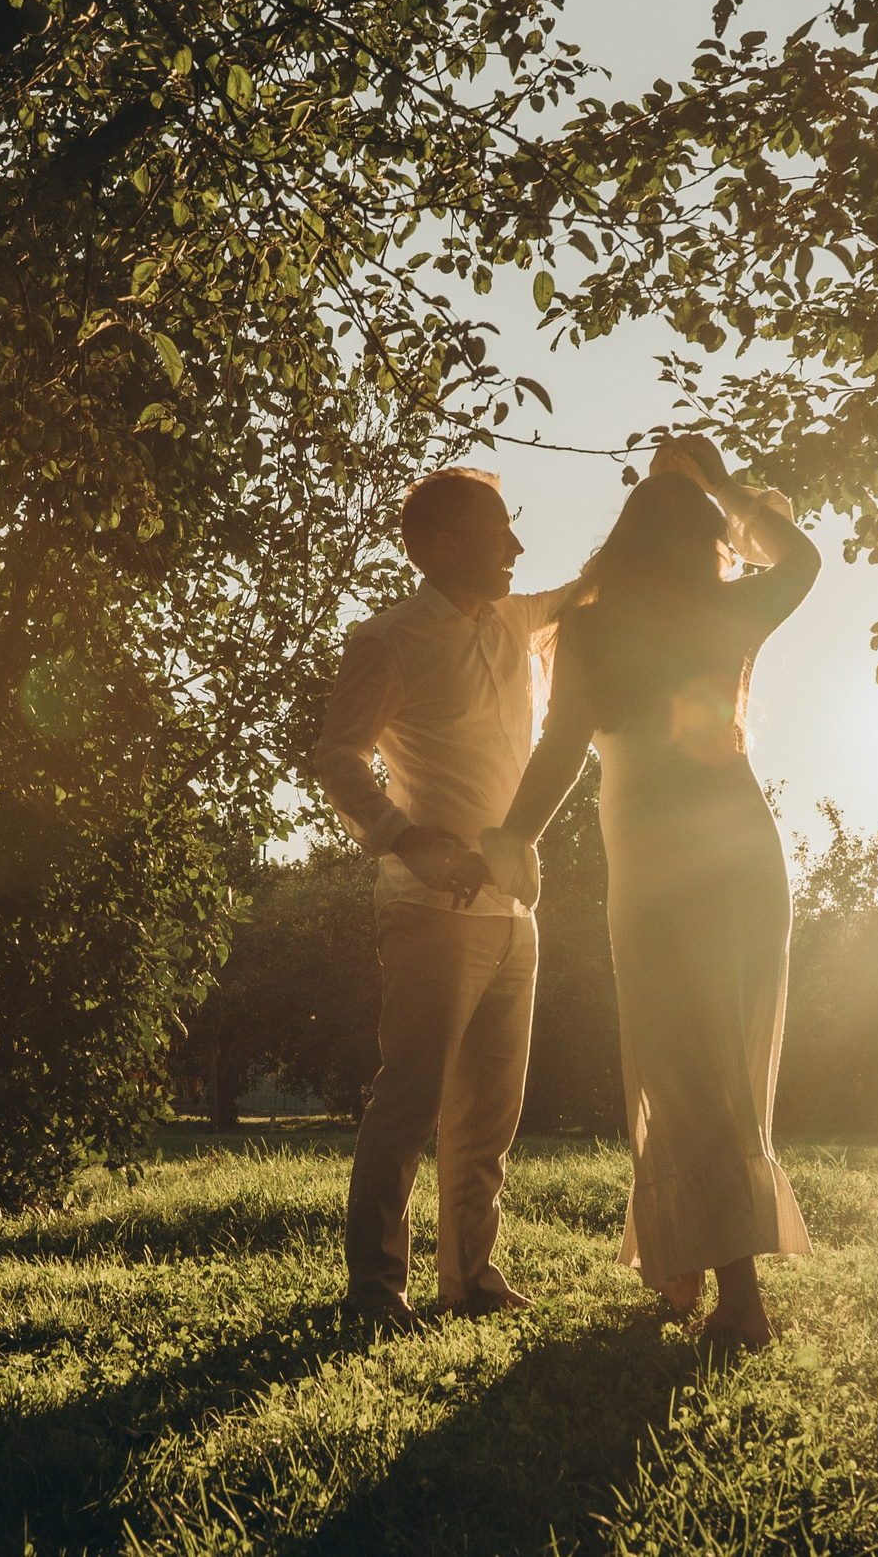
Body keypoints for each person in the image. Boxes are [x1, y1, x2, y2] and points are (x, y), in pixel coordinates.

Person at [480, 435, 820, 1347]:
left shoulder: (593, 627)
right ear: (705, 546)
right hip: (745, 848)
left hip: (661, 859)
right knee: (725, 1065)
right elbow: (806, 558)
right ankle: (687, 1267)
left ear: (625, 544)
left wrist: (513, 834)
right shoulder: (731, 612)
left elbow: (560, 750)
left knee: (685, 1067)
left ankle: (739, 1301)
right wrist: (723, 483)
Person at [309, 467, 576, 1329]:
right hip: (429, 910)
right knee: (411, 1102)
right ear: (449, 544)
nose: (519, 547)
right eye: (504, 530)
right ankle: (378, 1292)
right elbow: (337, 756)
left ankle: (472, 1277)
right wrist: (407, 839)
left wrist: (675, 494)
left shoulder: (514, 618)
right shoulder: (387, 641)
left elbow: (592, 586)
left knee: (489, 1112)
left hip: (515, 907)